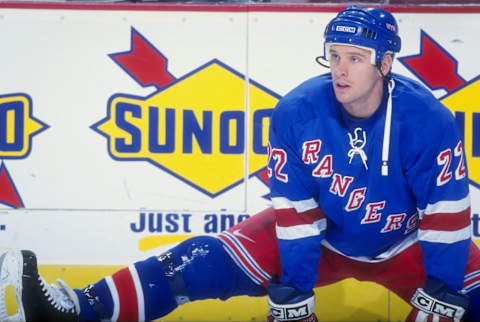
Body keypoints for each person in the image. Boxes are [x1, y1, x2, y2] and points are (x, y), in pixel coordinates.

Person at [1, 5, 479, 322]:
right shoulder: (297, 112)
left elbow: (447, 219)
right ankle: (79, 309)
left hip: (409, 242)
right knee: (203, 260)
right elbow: (295, 214)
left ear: (386, 63)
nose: (340, 68)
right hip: (323, 234)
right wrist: (294, 294)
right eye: (334, 55)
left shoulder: (428, 122)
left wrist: (440, 294)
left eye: (356, 57)